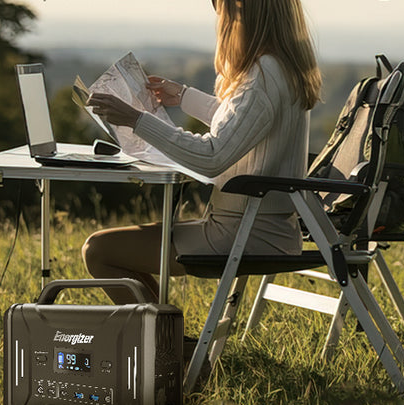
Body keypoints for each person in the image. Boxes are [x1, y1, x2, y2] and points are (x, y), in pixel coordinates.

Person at [83, 0, 321, 305]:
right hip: (261, 228)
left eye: (223, 9)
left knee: (99, 250)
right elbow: (243, 123)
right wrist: (183, 97)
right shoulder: (278, 67)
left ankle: (168, 345)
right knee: (118, 244)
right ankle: (170, 343)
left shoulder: (263, 74)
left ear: (243, 12)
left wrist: (136, 119)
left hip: (244, 234)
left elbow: (212, 157)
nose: (220, 18)